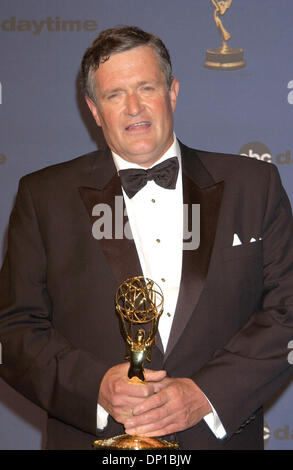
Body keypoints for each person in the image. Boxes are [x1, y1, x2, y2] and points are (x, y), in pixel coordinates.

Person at [0, 25, 293, 450]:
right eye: (114, 94)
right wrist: (95, 388)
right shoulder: (42, 196)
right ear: (94, 110)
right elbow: (14, 329)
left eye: (146, 87)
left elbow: (287, 310)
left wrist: (205, 395)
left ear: (172, 92)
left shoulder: (254, 185)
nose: (134, 107)